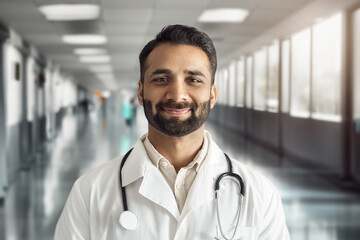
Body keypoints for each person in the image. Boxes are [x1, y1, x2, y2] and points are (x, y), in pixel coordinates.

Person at [54, 24, 290, 239]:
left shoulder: (259, 195)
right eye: (161, 79)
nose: (177, 95)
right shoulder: (89, 193)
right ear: (140, 91)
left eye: (193, 80)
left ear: (212, 94)